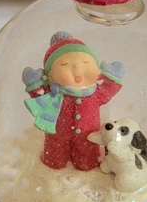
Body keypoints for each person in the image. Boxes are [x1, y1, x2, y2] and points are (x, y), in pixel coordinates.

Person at [22, 32, 125, 171]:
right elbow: (40, 95)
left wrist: (112, 76)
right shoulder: (53, 93)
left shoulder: (95, 93)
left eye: (86, 63)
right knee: (54, 158)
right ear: (51, 75)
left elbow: (108, 89)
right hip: (57, 134)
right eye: (65, 64)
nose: (78, 69)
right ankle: (54, 162)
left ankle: (86, 163)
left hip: (87, 135)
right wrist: (34, 82)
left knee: (87, 160)